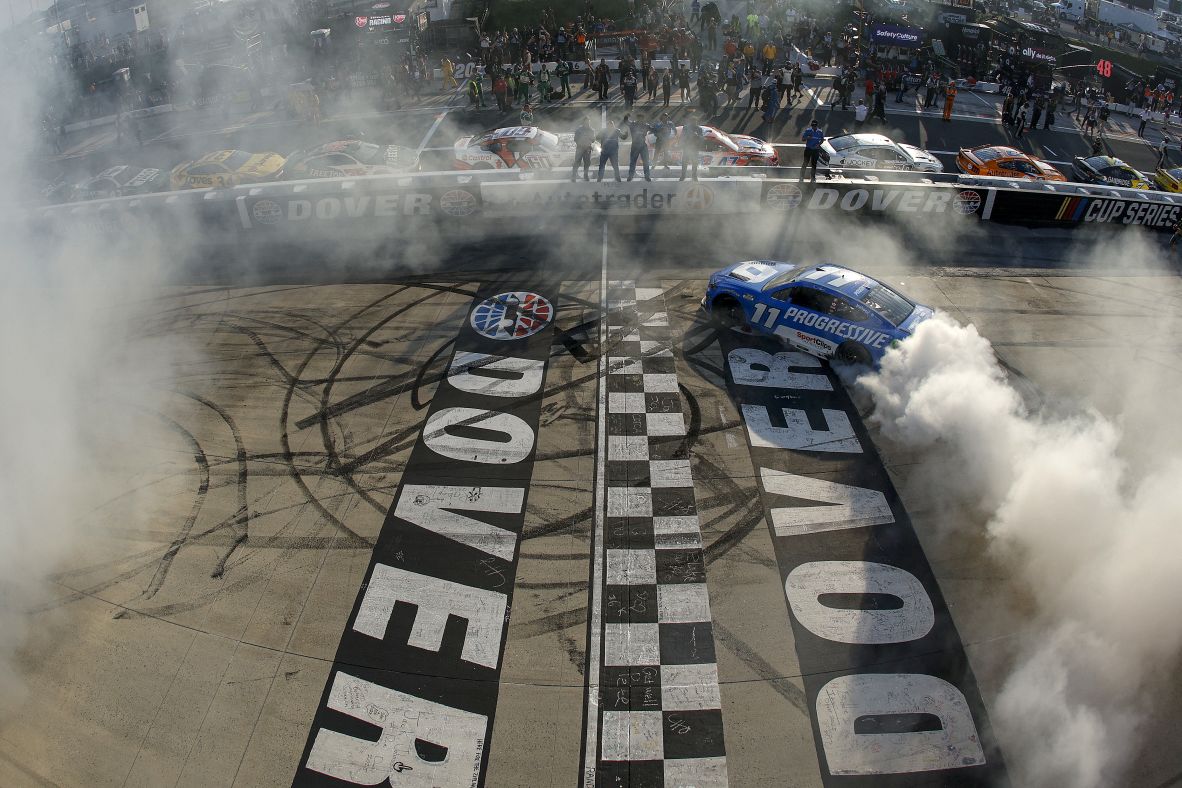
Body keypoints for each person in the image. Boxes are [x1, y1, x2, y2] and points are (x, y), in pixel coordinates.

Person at [624, 114, 653, 181]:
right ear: (637, 118)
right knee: (633, 161)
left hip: (643, 145)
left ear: (643, 119)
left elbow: (653, 129)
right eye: (639, 118)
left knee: (646, 161)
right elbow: (626, 121)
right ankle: (630, 176)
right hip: (635, 145)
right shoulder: (633, 124)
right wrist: (626, 115)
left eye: (641, 118)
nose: (640, 120)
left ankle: (647, 176)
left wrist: (659, 130)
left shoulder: (646, 125)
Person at [679, 116, 703, 181]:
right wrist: (681, 144)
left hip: (695, 148)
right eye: (693, 121)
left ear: (696, 122)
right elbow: (682, 136)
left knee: (695, 162)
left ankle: (694, 175)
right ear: (690, 121)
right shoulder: (686, 127)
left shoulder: (699, 128)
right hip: (687, 147)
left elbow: (702, 138)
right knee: (684, 162)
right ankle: (683, 175)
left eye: (695, 121)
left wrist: (697, 135)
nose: (694, 123)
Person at [572, 116, 594, 181]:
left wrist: (591, 138)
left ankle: (585, 175)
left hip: (587, 149)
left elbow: (593, 140)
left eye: (589, 122)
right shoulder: (579, 130)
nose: (588, 123)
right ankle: (573, 176)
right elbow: (575, 139)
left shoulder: (591, 130)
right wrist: (581, 143)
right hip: (580, 148)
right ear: (583, 122)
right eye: (586, 122)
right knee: (577, 162)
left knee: (587, 163)